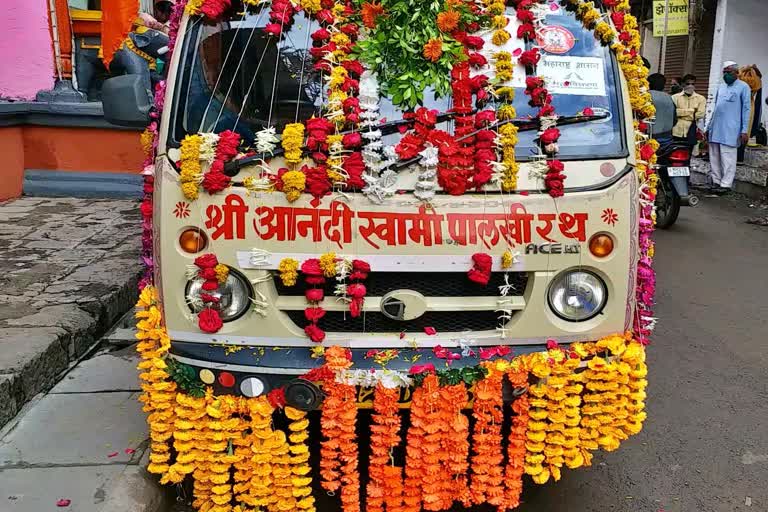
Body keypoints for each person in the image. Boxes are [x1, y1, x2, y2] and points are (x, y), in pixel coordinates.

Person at [707, 61, 751, 194]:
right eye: (724, 72)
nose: (726, 74)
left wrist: (744, 130)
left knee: (728, 157)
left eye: (729, 72)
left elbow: (746, 109)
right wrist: (708, 127)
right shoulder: (721, 87)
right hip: (716, 127)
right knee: (714, 155)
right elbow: (714, 107)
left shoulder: (743, 87)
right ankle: (716, 181)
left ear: (737, 73)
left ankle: (725, 184)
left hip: (732, 129)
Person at [672, 74, 706, 150]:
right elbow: (673, 113)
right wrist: (691, 111)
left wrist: (681, 113)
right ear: (683, 84)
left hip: (691, 131)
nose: (690, 86)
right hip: (676, 131)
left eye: (693, 84)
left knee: (688, 155)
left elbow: (700, 114)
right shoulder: (675, 97)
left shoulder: (701, 99)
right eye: (688, 84)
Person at [648, 73, 676, 148]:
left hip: (648, 137)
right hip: (666, 138)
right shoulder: (670, 98)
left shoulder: (645, 97)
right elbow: (675, 119)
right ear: (664, 85)